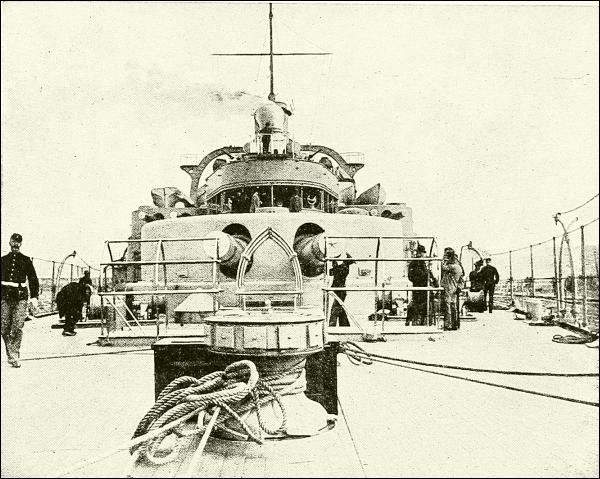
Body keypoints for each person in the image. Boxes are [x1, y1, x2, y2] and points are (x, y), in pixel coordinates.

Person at [1, 233, 39, 368]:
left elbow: (33, 279)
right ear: (9, 243)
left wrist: (34, 297)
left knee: (17, 327)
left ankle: (14, 355)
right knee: (4, 328)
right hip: (5, 298)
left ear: (21, 244)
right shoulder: (3, 260)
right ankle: (11, 353)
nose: (15, 244)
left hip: (20, 298)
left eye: (18, 242)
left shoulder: (26, 260)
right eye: (13, 242)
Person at [407, 244, 437, 326]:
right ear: (420, 253)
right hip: (421, 287)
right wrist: (426, 276)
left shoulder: (417, 262)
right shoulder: (417, 262)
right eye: (423, 253)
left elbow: (411, 276)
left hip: (418, 287)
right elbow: (415, 275)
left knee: (419, 305)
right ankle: (421, 322)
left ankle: (418, 322)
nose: (423, 254)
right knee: (421, 305)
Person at [440, 247, 465, 331]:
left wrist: (443, 260)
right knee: (453, 306)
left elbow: (443, 267)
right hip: (454, 287)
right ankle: (455, 324)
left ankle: (448, 324)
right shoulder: (458, 266)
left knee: (447, 305)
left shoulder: (452, 266)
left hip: (449, 287)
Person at [329, 253, 355, 327]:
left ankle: (332, 326)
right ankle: (345, 325)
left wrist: (333, 260)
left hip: (340, 291)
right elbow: (332, 272)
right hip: (339, 291)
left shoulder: (344, 268)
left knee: (335, 309)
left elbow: (335, 271)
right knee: (340, 308)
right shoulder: (343, 267)